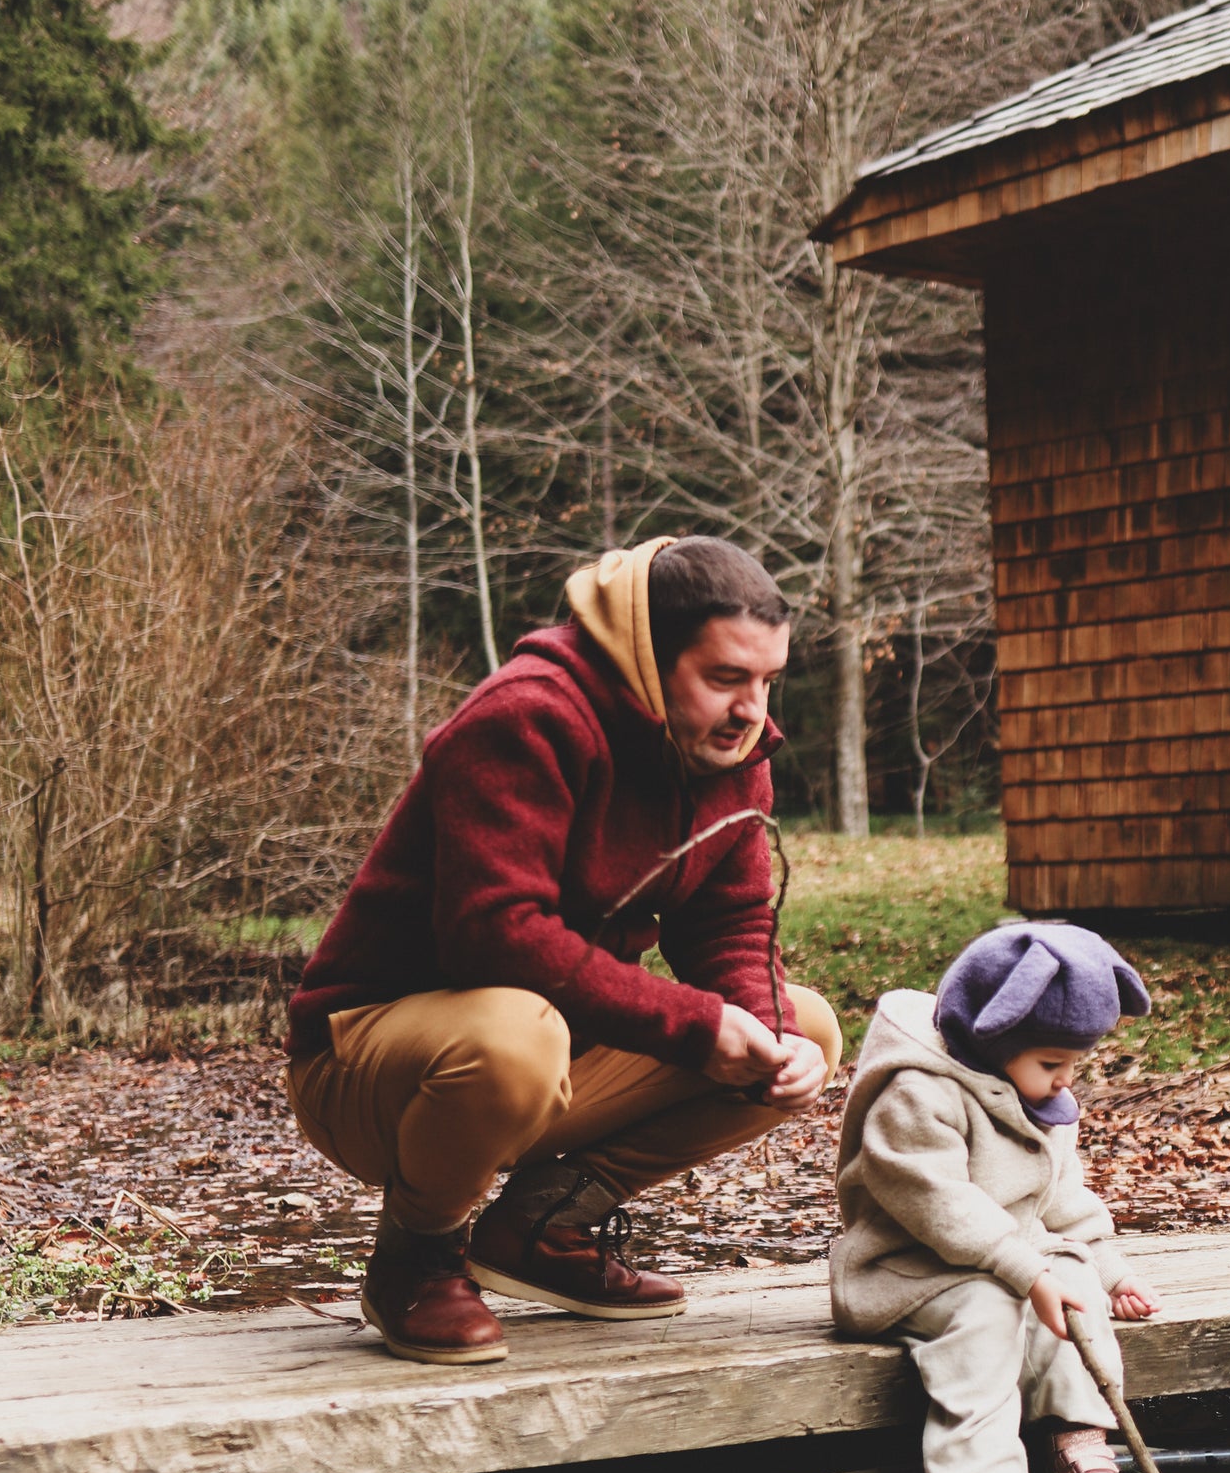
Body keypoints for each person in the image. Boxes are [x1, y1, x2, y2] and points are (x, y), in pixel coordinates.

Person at [287, 536, 839, 1364]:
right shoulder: (526, 717)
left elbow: (729, 928)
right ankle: (416, 1257)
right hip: (367, 1060)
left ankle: (542, 1228)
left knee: (807, 1029)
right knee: (519, 1033)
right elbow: (494, 935)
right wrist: (697, 1026)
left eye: (767, 682)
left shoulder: (729, 759)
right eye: (725, 679)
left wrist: (760, 1028)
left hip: (545, 1046)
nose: (752, 710)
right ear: (648, 659)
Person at [830, 921, 1163, 1473]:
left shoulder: (1039, 1095)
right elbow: (938, 1205)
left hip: (1012, 1260)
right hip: (907, 1269)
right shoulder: (916, 1093)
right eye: (1052, 1063)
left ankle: (1075, 1439)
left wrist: (1110, 1270)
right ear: (993, 1036)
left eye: (1075, 1064)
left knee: (1073, 1280)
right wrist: (1024, 1271)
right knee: (989, 1307)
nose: (1067, 1079)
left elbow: (1062, 1200)